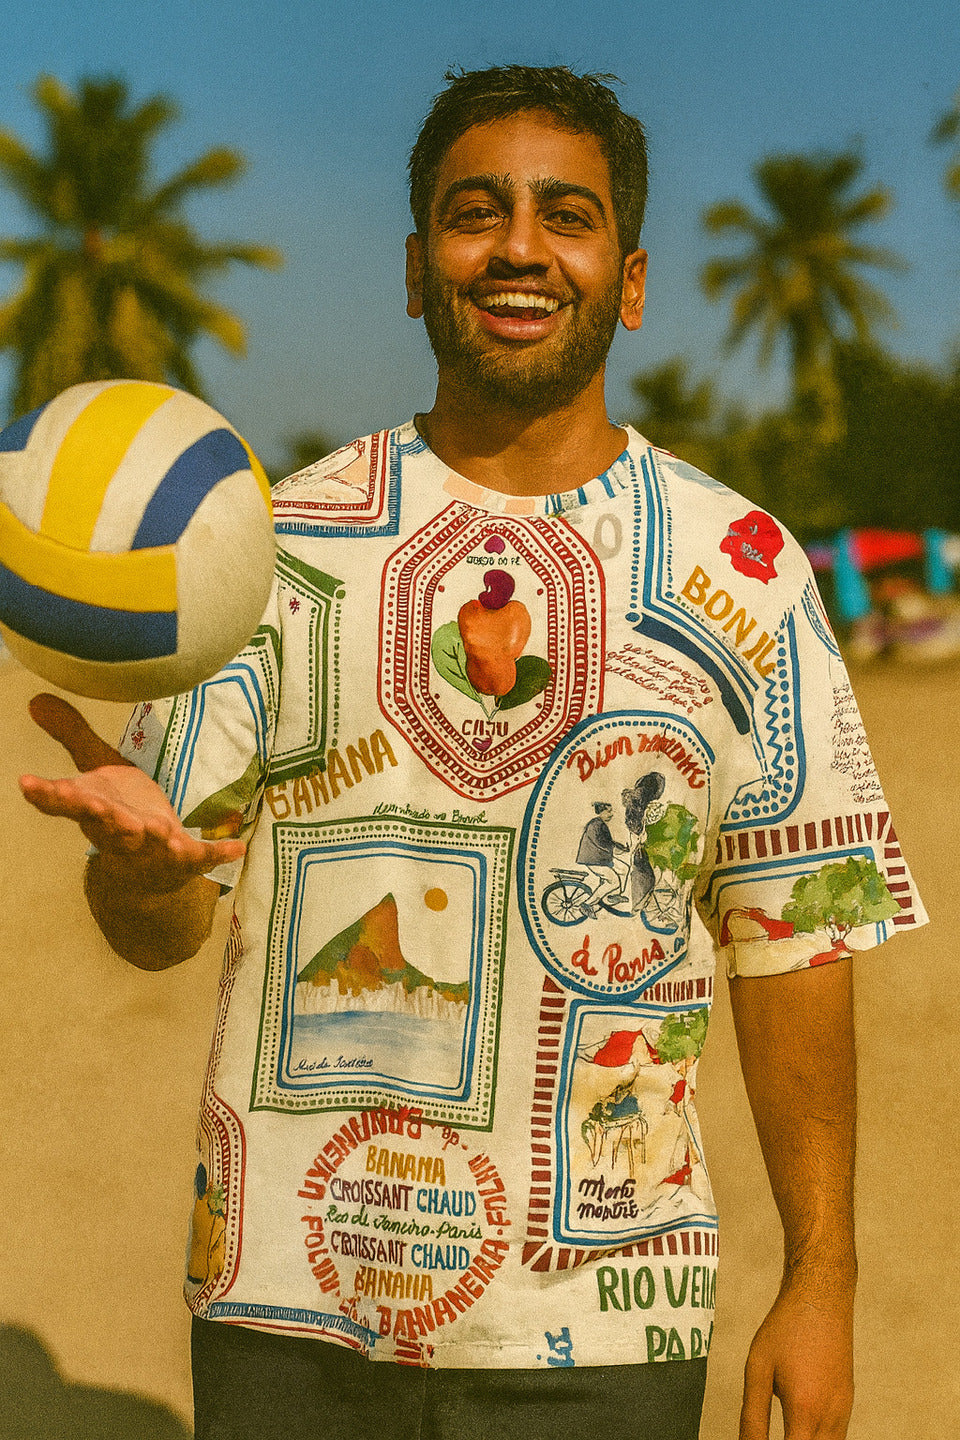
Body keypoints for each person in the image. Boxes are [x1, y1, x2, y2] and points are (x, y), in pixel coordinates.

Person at [20, 65, 927, 1440]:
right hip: (287, 1303)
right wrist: (140, 869)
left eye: (564, 215)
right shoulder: (271, 547)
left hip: (609, 1319)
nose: (516, 246)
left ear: (627, 281)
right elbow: (161, 922)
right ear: (413, 270)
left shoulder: (742, 567)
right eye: (472, 212)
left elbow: (795, 936)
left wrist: (823, 1281)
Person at [576, 800, 631, 910]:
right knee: (613, 881)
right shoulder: (595, 825)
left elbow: (608, 841)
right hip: (594, 859)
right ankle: (587, 904)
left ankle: (615, 895)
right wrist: (617, 849)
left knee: (624, 869)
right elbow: (602, 843)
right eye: (608, 812)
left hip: (602, 857)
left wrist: (620, 847)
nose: (611, 814)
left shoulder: (600, 824)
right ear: (601, 812)